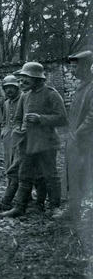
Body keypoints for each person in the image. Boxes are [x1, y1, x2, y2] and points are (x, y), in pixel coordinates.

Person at [1, 62, 68, 218]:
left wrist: (40, 119)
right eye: (22, 78)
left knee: (50, 176)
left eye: (26, 78)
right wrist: (18, 130)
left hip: (46, 143)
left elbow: (63, 119)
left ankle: (54, 207)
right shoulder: (25, 96)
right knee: (24, 176)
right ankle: (19, 207)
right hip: (27, 144)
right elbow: (17, 119)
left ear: (38, 79)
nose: (22, 82)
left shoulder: (51, 94)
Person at [60, 50, 93, 221]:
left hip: (86, 141)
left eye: (74, 67)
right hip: (76, 139)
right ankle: (74, 209)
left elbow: (92, 117)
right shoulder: (82, 86)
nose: (71, 71)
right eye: (71, 67)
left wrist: (79, 133)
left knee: (86, 173)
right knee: (74, 173)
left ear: (86, 67)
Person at [0, 75, 22, 212]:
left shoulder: (23, 100)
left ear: (16, 87)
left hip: (20, 138)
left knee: (17, 167)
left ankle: (11, 199)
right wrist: (3, 130)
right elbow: (4, 120)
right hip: (8, 138)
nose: (9, 90)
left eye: (11, 87)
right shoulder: (7, 103)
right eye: (6, 88)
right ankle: (13, 196)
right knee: (8, 165)